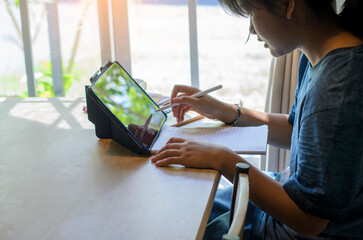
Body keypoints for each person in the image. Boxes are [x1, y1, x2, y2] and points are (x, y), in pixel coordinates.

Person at [151, 0, 363, 239]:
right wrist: (226, 111)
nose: (251, 30)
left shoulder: (338, 87)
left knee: (174, 225)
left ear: (288, 4)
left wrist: (220, 158)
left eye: (251, 13)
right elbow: (297, 130)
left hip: (286, 229)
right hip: (280, 202)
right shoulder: (319, 55)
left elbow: (310, 221)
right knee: (180, 205)